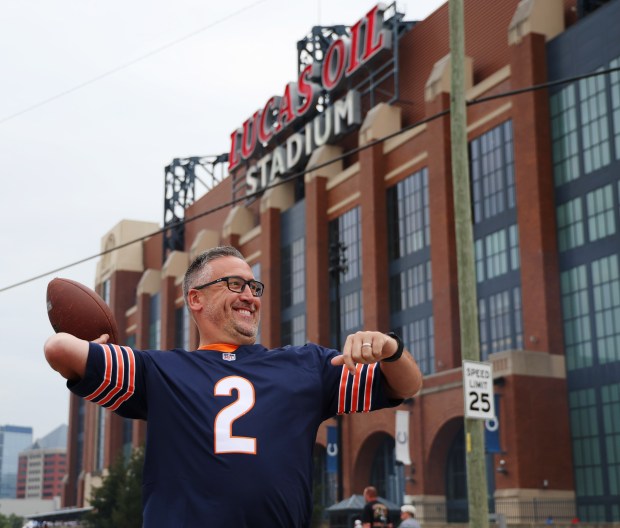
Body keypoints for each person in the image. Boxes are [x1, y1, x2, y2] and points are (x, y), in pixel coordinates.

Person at [44, 246, 423, 527]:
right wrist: (100, 343)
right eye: (234, 284)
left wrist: (391, 349)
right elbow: (59, 348)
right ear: (195, 298)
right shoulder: (160, 371)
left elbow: (406, 386)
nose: (249, 296)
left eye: (254, 287)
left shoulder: (306, 365)